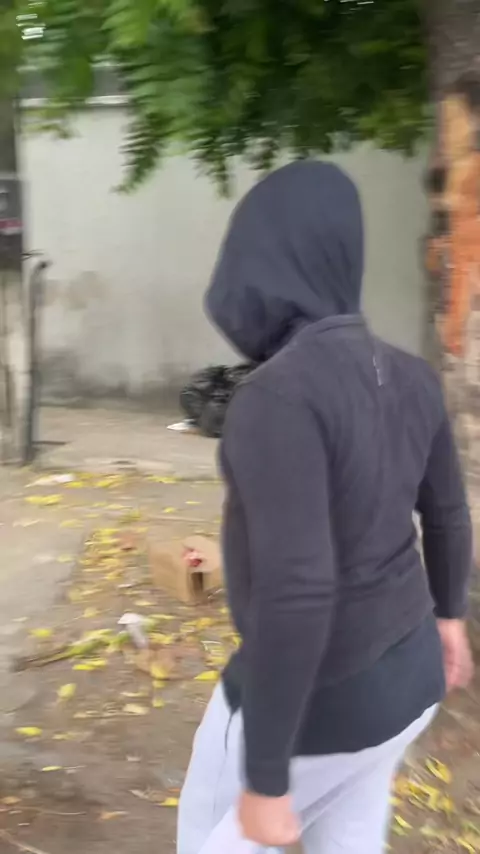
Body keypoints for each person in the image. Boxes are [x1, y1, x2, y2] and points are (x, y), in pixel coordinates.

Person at [177, 161, 474, 854]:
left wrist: (266, 776)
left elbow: (299, 587)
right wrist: (450, 619)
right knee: (350, 836)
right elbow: (448, 514)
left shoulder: (273, 398)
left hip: (319, 706)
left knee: (206, 837)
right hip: (409, 680)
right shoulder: (412, 376)